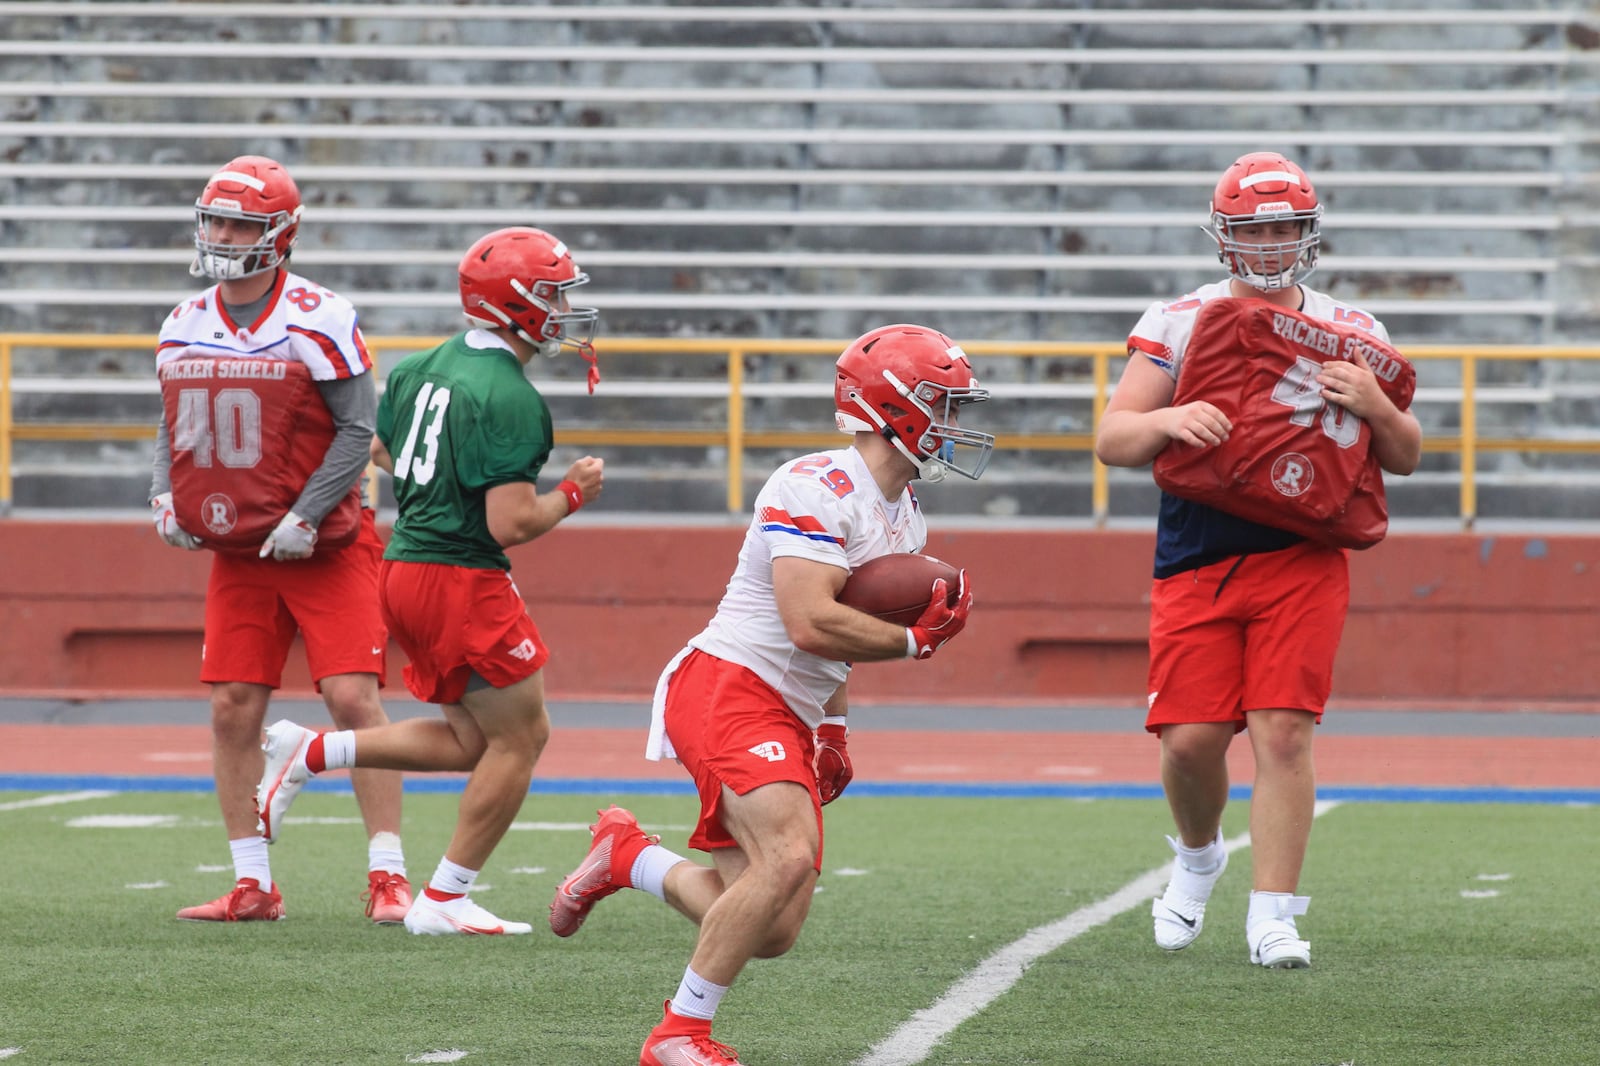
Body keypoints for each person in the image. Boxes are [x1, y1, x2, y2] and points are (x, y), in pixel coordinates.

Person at [546, 324, 993, 1066]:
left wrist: (833, 732)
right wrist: (913, 643)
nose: (953, 423)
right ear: (893, 406)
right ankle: (678, 1035)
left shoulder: (905, 512)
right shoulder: (815, 485)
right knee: (787, 856)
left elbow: (843, 635)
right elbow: (812, 621)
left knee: (774, 929)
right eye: (941, 404)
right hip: (730, 683)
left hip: (787, 706)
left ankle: (627, 856)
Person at [1093, 151, 1423, 968]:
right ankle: (1200, 855)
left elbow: (1408, 455)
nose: (1271, 244)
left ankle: (1274, 913)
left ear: (1307, 234)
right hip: (1199, 550)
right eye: (1255, 229)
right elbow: (1112, 438)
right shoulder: (1180, 319)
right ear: (1224, 235)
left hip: (1302, 556)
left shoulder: (1354, 330)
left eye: (1284, 228)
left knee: (1283, 735)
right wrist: (1171, 422)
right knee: (1190, 743)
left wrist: (1376, 403)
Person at [254, 225, 605, 936]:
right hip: (461, 577)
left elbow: (382, 449)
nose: (564, 308)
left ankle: (314, 751)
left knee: (474, 741)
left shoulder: (419, 367)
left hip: (404, 568)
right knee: (523, 736)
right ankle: (446, 898)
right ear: (516, 302)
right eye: (553, 293)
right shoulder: (509, 396)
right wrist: (571, 493)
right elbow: (511, 523)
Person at [149, 155, 410, 924]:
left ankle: (387, 871)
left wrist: (307, 513)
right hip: (239, 549)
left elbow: (359, 429)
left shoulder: (320, 315)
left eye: (241, 224)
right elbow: (176, 424)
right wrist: (164, 492)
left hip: (324, 543)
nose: (223, 236)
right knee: (232, 705)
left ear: (281, 235)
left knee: (353, 697)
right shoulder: (184, 321)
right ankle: (252, 882)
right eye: (217, 220)